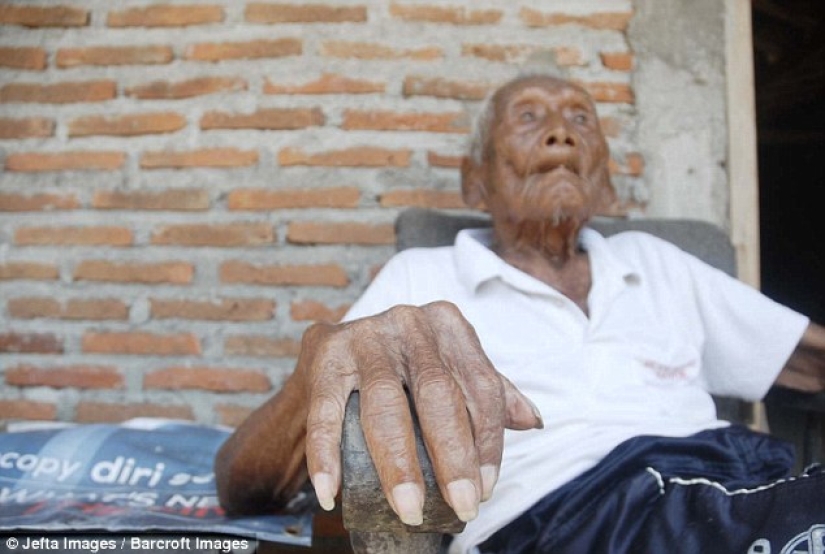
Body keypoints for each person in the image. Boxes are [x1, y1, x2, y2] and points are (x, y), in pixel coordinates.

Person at [215, 74, 825, 553]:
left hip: (738, 483)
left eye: (581, 119)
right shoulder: (424, 276)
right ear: (475, 182)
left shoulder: (657, 261)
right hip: (569, 512)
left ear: (606, 185)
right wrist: (318, 366)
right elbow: (247, 484)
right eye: (530, 117)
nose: (562, 133)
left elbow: (806, 360)